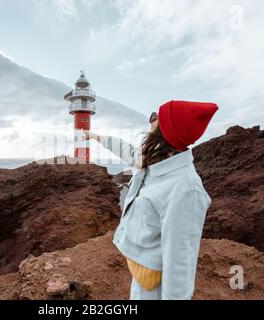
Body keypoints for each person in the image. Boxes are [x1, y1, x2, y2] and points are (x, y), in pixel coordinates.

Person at [83, 100, 218, 300]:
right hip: (143, 273)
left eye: (157, 117)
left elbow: (180, 264)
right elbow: (128, 151)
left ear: (167, 131)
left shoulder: (185, 190)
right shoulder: (156, 158)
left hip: (155, 288)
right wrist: (97, 137)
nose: (151, 119)